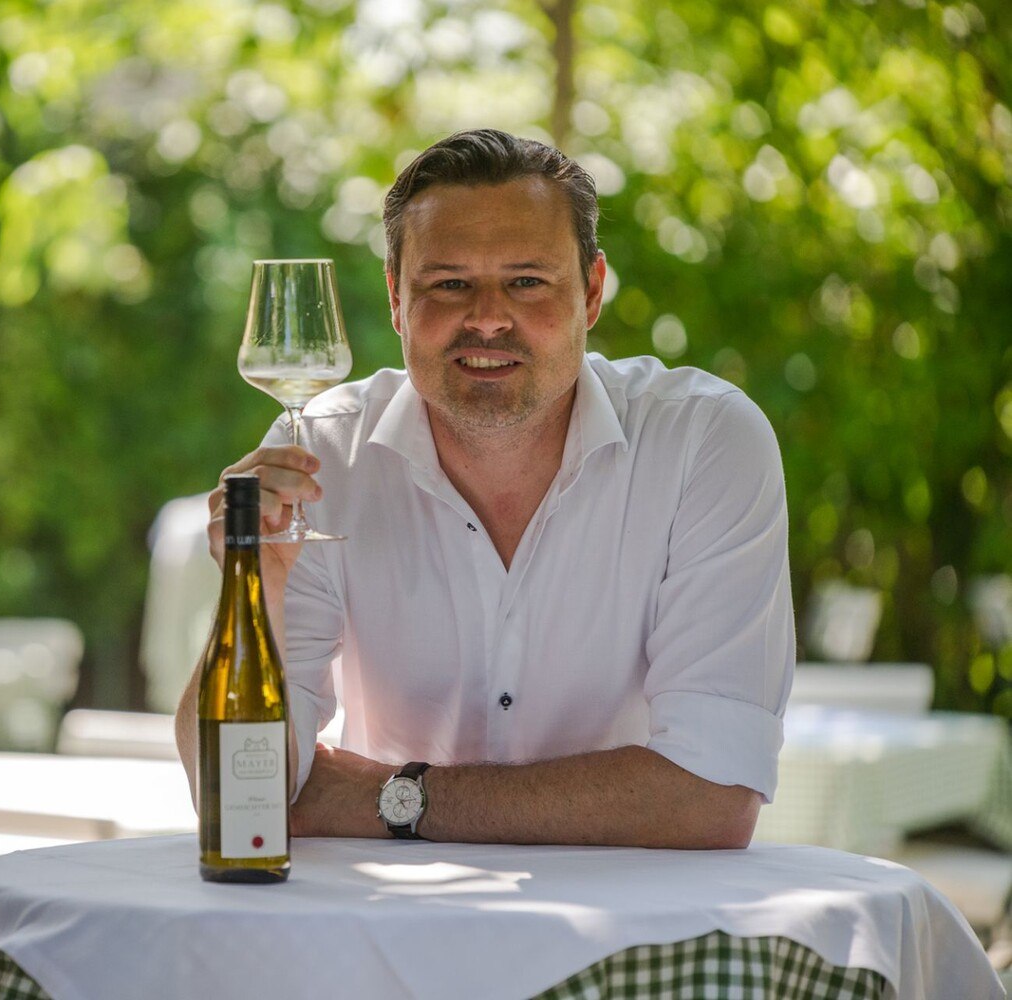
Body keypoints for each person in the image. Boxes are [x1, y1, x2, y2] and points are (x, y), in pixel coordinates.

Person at [176, 129, 792, 849]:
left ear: (592, 292)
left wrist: (388, 797)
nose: (489, 317)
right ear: (396, 298)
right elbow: (238, 800)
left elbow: (710, 801)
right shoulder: (317, 459)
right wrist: (255, 593)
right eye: (449, 284)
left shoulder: (703, 442)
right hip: (380, 926)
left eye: (527, 281)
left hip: (634, 930)